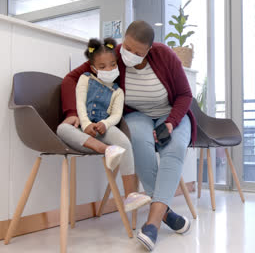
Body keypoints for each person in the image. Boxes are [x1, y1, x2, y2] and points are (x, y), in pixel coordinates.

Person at [60, 20, 197, 251]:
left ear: (150, 50)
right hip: (136, 115)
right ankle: (165, 212)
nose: (129, 55)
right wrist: (72, 112)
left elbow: (184, 94)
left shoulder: (164, 55)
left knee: (173, 150)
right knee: (140, 145)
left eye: (137, 52)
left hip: (170, 113)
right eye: (128, 48)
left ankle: (152, 223)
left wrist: (172, 123)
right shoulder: (113, 55)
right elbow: (71, 79)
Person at [57, 37, 151, 212]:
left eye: (112, 65)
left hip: (103, 127)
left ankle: (130, 195)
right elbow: (79, 102)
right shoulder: (85, 79)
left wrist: (105, 124)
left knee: (124, 142)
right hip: (83, 127)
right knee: (62, 128)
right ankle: (105, 149)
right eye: (102, 67)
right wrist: (84, 123)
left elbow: (116, 115)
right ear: (93, 68)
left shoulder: (118, 91)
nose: (109, 69)